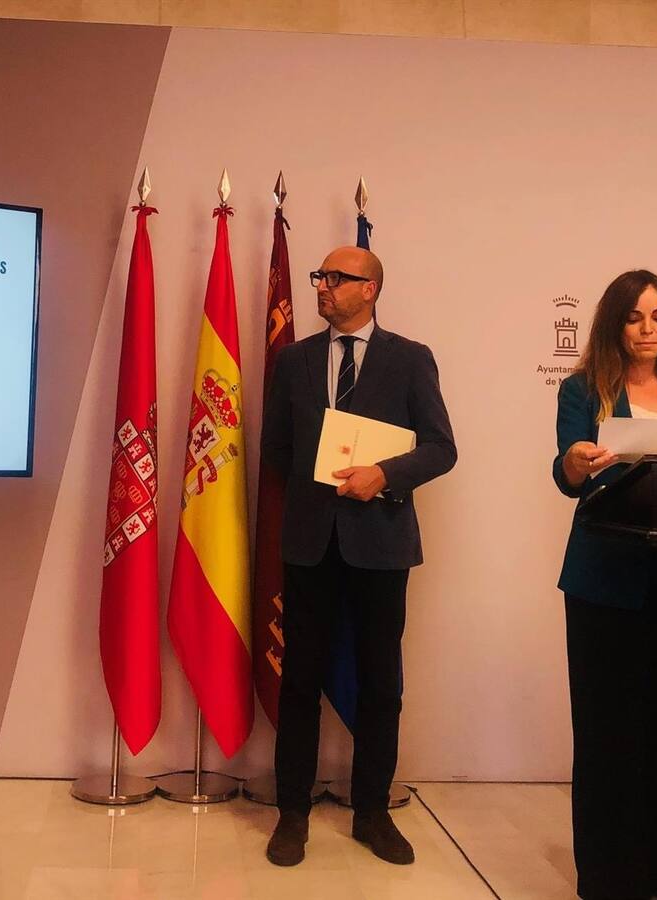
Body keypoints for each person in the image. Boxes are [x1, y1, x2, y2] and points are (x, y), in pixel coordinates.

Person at [261, 245, 456, 867]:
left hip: (381, 542)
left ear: (369, 289)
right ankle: (292, 812)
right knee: (299, 680)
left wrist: (384, 475)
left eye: (336, 278)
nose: (322, 286)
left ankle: (372, 811)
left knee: (380, 682)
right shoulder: (293, 360)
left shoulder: (410, 359)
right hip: (310, 541)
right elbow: (276, 448)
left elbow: (441, 448)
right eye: (319, 276)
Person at [552, 269, 657, 900]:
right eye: (633, 318)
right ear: (613, 324)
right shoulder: (583, 388)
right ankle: (611, 877)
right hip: (606, 580)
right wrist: (574, 461)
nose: (647, 330)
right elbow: (568, 473)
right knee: (609, 730)